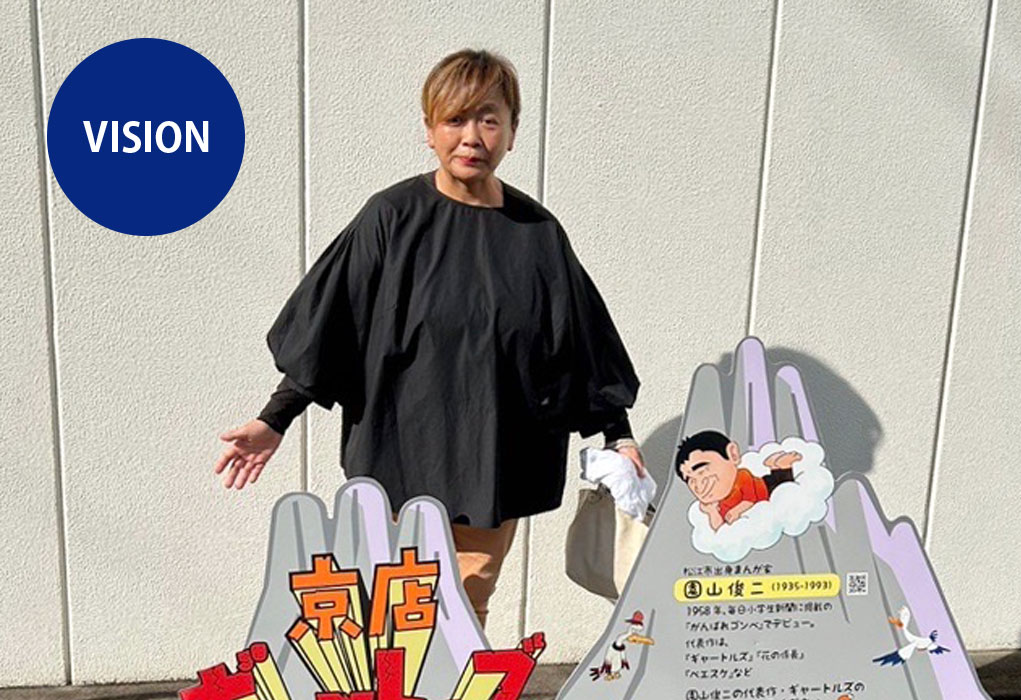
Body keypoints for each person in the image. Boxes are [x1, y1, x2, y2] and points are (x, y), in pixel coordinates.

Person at [213, 49, 644, 629]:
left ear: (512, 131)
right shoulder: (391, 218)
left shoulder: (537, 234)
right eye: (455, 120)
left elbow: (580, 340)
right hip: (402, 454)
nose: (472, 137)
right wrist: (276, 417)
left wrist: (618, 434)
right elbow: (334, 325)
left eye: (489, 120)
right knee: (399, 610)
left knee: (466, 607)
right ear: (430, 130)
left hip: (497, 460)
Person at [674, 431, 798, 530]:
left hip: (766, 489)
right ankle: (773, 465)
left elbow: (750, 500)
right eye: (690, 480)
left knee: (784, 484)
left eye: (702, 471)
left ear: (732, 454)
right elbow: (719, 528)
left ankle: (782, 465)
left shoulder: (743, 476)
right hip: (757, 517)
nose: (698, 484)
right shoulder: (719, 503)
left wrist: (736, 511)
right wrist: (712, 512)